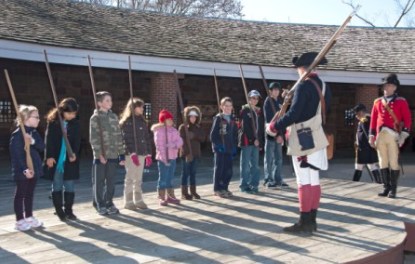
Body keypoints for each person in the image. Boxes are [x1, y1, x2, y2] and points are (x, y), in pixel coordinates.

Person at [267, 52, 331, 233]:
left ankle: (304, 222)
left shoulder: (303, 86)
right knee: (314, 180)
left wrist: (273, 126)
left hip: (302, 139)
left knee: (304, 181)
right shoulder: (324, 86)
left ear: (302, 68)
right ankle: (312, 221)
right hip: (317, 136)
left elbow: (294, 114)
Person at [369, 74, 412, 198]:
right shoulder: (377, 102)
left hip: (393, 135)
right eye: (385, 85)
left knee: (393, 162)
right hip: (380, 136)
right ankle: (386, 187)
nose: (386, 88)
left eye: (389, 85)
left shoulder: (401, 101)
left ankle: (393, 189)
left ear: (394, 87)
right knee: (383, 162)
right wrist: (371, 135)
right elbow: (373, 120)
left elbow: (407, 119)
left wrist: (403, 134)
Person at [44, 98, 81, 221]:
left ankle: (69, 210)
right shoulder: (54, 123)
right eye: (69, 113)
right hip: (56, 160)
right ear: (62, 111)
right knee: (57, 185)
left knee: (70, 186)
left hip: (69, 160)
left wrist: (74, 153)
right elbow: (49, 141)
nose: (72, 115)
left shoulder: (75, 124)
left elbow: (77, 141)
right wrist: (49, 156)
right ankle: (59, 211)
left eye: (74, 113)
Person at [90, 91, 125, 215]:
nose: (110, 103)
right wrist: (99, 154)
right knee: (99, 181)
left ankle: (108, 201)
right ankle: (99, 203)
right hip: (102, 155)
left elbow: (118, 136)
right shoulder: (95, 118)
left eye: (111, 100)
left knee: (111, 180)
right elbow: (94, 138)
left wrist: (121, 153)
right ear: (99, 103)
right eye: (107, 100)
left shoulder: (114, 117)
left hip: (113, 155)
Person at [10, 105, 45, 231]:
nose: (38, 119)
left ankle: (29, 216)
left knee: (29, 194)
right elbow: (17, 154)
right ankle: (19, 220)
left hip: (34, 167)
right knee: (21, 194)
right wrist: (25, 169)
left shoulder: (34, 133)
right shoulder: (18, 134)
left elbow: (41, 147)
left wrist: (33, 142)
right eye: (36, 117)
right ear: (26, 118)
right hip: (23, 170)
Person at [119, 98, 152, 210]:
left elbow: (146, 138)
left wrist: (148, 153)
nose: (142, 108)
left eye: (143, 106)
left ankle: (138, 199)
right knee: (130, 177)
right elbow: (126, 138)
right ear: (133, 108)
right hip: (131, 154)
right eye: (140, 106)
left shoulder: (142, 121)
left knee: (138, 178)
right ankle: (128, 201)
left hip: (142, 152)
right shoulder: (127, 122)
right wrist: (132, 152)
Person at [151, 109, 183, 206]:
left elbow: (180, 141)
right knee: (163, 178)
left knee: (170, 177)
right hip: (163, 159)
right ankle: (161, 196)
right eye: (168, 119)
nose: (171, 121)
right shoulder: (159, 131)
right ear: (163, 121)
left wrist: (173, 145)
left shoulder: (174, 130)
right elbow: (159, 147)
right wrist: (164, 160)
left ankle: (170, 196)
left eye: (171, 119)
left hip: (172, 157)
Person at [210, 97, 238, 198]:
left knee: (228, 170)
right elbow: (213, 135)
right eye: (226, 106)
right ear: (221, 107)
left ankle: (225, 187)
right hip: (220, 149)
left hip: (230, 148)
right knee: (220, 169)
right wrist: (218, 145)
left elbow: (235, 134)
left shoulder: (233, 119)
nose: (228, 108)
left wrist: (235, 146)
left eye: (230, 106)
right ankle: (217, 188)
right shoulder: (218, 118)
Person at [263, 82, 288, 188]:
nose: (276, 91)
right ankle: (268, 179)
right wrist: (277, 134)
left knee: (278, 158)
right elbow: (270, 120)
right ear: (270, 91)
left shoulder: (279, 102)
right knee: (269, 158)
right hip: (271, 133)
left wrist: (282, 135)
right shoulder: (268, 102)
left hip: (279, 134)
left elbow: (282, 119)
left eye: (277, 89)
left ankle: (278, 179)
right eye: (274, 89)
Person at [238, 90, 264, 194]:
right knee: (245, 165)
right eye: (253, 98)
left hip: (256, 143)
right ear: (249, 99)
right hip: (247, 141)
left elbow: (260, 129)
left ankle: (254, 184)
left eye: (257, 98)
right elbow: (246, 128)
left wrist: (260, 142)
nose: (255, 100)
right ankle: (244, 185)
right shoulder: (245, 110)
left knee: (255, 165)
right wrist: (253, 140)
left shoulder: (258, 112)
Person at [179, 106, 205, 200]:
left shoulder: (198, 127)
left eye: (195, 116)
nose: (193, 118)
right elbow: (181, 141)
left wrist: (194, 135)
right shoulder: (183, 127)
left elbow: (203, 138)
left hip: (196, 153)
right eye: (191, 116)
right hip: (186, 154)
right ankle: (184, 193)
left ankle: (193, 191)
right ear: (187, 117)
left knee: (193, 173)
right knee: (185, 173)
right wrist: (186, 153)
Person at [351, 103, 381, 183]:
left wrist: (372, 143)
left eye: (356, 114)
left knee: (359, 166)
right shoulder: (369, 119)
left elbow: (368, 133)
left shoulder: (365, 120)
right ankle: (378, 183)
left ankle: (353, 183)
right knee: (372, 165)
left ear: (360, 112)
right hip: (367, 147)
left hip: (364, 148)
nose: (356, 116)